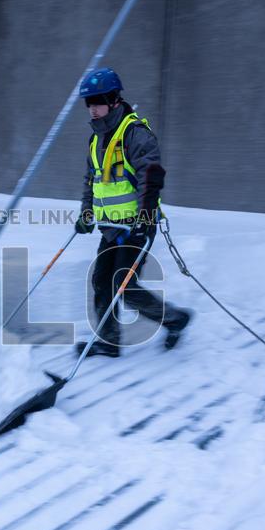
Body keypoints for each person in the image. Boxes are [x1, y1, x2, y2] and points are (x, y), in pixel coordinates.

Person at [73, 67, 192, 357]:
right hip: (111, 227)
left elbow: (150, 178)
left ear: (114, 100)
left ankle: (175, 319)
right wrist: (86, 213)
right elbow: (92, 180)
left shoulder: (135, 134)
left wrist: (143, 219)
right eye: (88, 103)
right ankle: (109, 341)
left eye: (98, 101)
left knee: (123, 285)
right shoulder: (95, 140)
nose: (92, 109)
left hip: (139, 225)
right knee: (101, 281)